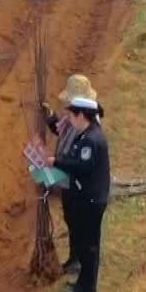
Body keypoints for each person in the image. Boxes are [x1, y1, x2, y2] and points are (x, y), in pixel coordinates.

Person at [49, 97, 111, 292]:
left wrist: (55, 162)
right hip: (86, 197)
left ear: (82, 115)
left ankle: (87, 290)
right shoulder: (87, 135)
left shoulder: (91, 140)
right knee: (85, 243)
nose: (70, 119)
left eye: (72, 115)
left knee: (89, 246)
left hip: (91, 200)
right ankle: (82, 283)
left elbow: (82, 167)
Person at [40, 74, 102, 279]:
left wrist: (56, 163)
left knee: (77, 222)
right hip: (69, 180)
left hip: (77, 182)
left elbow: (80, 164)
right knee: (70, 218)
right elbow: (61, 130)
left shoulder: (89, 128)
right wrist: (50, 116)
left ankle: (79, 260)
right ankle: (76, 257)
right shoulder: (74, 118)